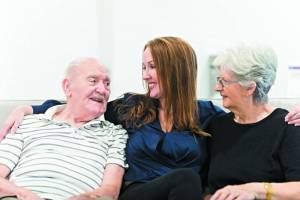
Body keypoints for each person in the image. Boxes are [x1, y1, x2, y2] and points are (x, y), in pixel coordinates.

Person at [1, 37, 300, 200]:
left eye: (152, 67)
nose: (145, 75)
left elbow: (252, 115)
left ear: (175, 69)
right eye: (143, 67)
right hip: (138, 195)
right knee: (186, 178)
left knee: (188, 182)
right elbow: (84, 103)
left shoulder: (207, 115)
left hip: (184, 194)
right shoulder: (131, 107)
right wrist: (31, 109)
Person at [0, 58, 128, 200]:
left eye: (107, 84)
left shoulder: (115, 134)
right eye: (93, 81)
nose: (103, 90)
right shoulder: (27, 122)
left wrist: (86, 198)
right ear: (67, 87)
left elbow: (110, 191)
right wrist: (25, 195)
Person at [205, 43, 300, 200]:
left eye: (224, 81)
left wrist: (252, 190)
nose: (217, 87)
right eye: (218, 80)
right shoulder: (216, 125)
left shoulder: (288, 126)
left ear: (250, 88)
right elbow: (205, 187)